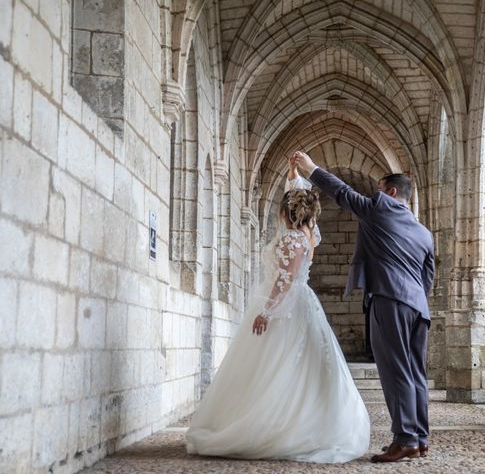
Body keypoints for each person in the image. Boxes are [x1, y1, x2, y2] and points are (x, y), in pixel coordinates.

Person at [185, 167, 370, 463]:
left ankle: (277, 427)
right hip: (304, 303)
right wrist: (294, 172)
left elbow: (283, 281)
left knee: (277, 366)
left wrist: (266, 312)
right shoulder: (308, 237)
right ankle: (299, 421)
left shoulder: (291, 240)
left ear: (287, 212)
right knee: (295, 369)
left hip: (287, 306)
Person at [293, 150, 435, 463]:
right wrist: (413, 301)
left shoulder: (380, 210)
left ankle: (406, 440)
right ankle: (419, 438)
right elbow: (428, 277)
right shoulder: (424, 233)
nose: (376, 195)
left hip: (390, 301)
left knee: (396, 372)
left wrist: (311, 168)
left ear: (392, 193)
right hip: (418, 308)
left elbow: (342, 193)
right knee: (415, 374)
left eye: (380, 190)